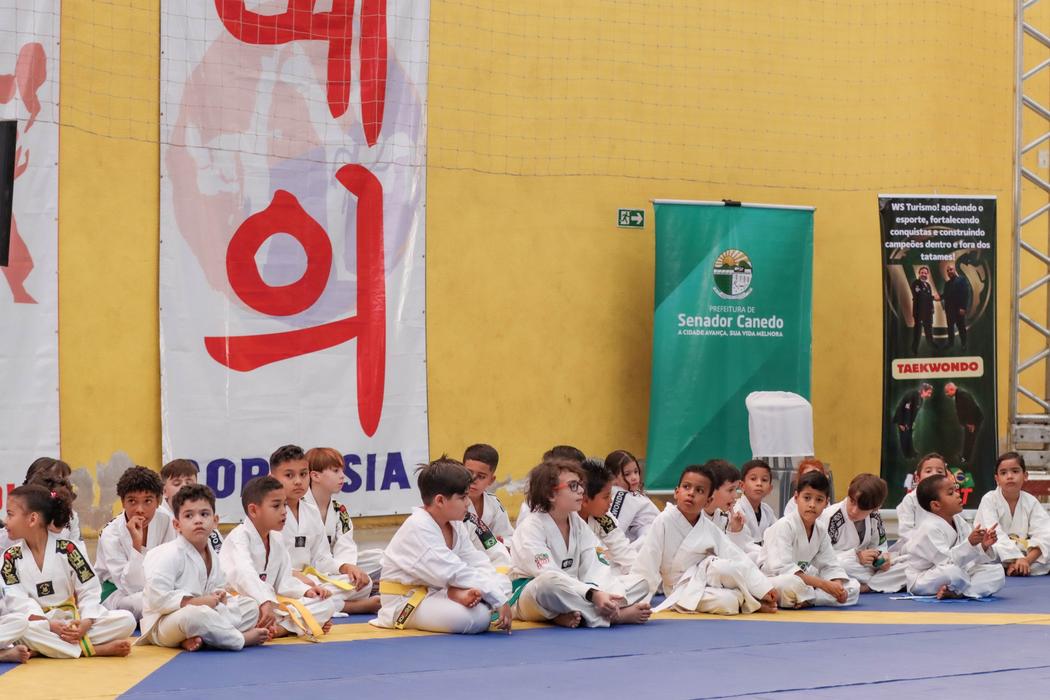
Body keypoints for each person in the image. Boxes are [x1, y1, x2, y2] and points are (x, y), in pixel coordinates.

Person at [371, 458, 512, 634]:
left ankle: (456, 592)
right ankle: (454, 592)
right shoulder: (418, 527)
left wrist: (499, 592)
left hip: (436, 591)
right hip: (405, 601)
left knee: (500, 587)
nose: (468, 502)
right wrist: (496, 597)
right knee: (476, 618)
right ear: (440, 500)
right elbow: (453, 571)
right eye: (462, 497)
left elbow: (477, 562)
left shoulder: (455, 524)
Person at [510, 458, 651, 628]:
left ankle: (575, 614)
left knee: (641, 583)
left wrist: (602, 594)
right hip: (532, 596)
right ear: (551, 494)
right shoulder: (531, 527)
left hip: (579, 590)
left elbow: (595, 565)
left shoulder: (576, 522)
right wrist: (592, 594)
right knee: (548, 584)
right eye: (573, 486)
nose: (581, 491)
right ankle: (614, 616)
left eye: (580, 485)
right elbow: (548, 573)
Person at [2, 484, 135, 658]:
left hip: (71, 622)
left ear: (32, 519)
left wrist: (86, 622)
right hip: (39, 624)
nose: (5, 520)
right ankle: (92, 650)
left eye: (10, 514)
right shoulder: (9, 557)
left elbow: (89, 589)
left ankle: (45, 649)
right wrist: (49, 625)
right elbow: (17, 601)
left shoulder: (69, 550)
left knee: (127, 620)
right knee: (21, 627)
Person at [138, 484, 270, 651]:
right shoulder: (167, 553)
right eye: (189, 515)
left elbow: (218, 588)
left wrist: (220, 596)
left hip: (204, 614)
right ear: (177, 525)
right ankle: (239, 638)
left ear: (215, 521)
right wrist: (195, 602)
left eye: (204, 514)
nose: (198, 520)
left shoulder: (212, 554)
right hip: (164, 623)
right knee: (195, 615)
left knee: (250, 606)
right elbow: (156, 599)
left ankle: (201, 638)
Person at [633, 464, 777, 614]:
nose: (691, 493)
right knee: (727, 602)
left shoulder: (708, 527)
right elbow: (647, 562)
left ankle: (751, 598)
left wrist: (763, 587)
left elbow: (736, 556)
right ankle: (750, 602)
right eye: (686, 487)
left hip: (706, 579)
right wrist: (636, 601)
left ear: (708, 501)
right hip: (678, 587)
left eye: (699, 490)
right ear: (676, 492)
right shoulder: (664, 521)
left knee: (727, 568)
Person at [219, 476, 337, 639]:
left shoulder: (276, 538)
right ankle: (293, 625)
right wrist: (263, 601)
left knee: (326, 602)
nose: (284, 511)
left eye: (285, 505)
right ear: (253, 510)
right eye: (276, 506)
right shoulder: (239, 538)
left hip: (269, 605)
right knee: (250, 608)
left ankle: (281, 628)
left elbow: (284, 581)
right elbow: (244, 574)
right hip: (241, 604)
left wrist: (306, 591)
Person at [269, 445, 373, 614]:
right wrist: (294, 576)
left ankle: (320, 603)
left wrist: (346, 567)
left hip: (311, 579)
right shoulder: (269, 512)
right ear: (272, 478)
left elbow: (322, 558)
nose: (298, 481)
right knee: (279, 591)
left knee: (364, 583)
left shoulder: (311, 512)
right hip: (282, 580)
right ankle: (344, 606)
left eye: (303, 474)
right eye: (289, 475)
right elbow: (266, 564)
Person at [761, 471, 860, 608]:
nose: (812, 504)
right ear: (796, 498)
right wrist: (824, 585)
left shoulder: (820, 530)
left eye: (819, 500)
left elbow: (830, 565)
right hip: (774, 580)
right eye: (807, 498)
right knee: (791, 585)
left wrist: (837, 586)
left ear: (826, 503)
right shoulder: (784, 526)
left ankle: (808, 599)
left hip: (806, 581)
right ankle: (815, 597)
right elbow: (782, 570)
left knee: (853, 586)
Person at [94, 466, 176, 619]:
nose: (140, 509)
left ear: (158, 501)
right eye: (132, 501)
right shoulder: (110, 534)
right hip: (118, 593)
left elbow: (172, 563)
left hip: (159, 588)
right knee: (142, 603)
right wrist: (136, 545)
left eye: (147, 501)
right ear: (123, 502)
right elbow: (132, 587)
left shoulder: (166, 520)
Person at [303, 447, 384, 601]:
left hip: (334, 568)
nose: (342, 476)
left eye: (342, 470)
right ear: (315, 476)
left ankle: (334, 595)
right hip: (307, 572)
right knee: (362, 583)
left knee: (382, 559)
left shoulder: (340, 510)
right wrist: (344, 569)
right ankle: (349, 601)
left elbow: (346, 547)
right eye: (335, 471)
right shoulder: (298, 507)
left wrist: (349, 569)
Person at [906, 474, 1003, 599]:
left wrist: (983, 545)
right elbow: (947, 562)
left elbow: (969, 559)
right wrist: (970, 543)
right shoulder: (928, 528)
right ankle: (961, 589)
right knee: (953, 572)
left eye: (956, 490)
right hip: (926, 577)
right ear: (936, 505)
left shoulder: (958, 520)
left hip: (959, 571)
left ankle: (958, 592)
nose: (958, 495)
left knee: (997, 572)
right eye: (951, 493)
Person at [818, 474, 906, 593]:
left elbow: (880, 546)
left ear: (876, 508)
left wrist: (882, 559)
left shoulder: (875, 516)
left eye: (862, 508)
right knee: (842, 565)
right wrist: (856, 556)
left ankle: (864, 585)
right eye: (852, 502)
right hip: (841, 566)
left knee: (907, 565)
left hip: (865, 568)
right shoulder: (831, 517)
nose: (854, 510)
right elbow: (821, 556)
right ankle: (877, 583)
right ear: (848, 491)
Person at [975, 452, 1050, 577]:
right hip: (997, 555)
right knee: (987, 555)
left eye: (1015, 471)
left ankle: (1018, 567)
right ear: (997, 479)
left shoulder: (1031, 502)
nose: (1009, 476)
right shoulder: (989, 500)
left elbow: (1045, 534)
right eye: (1003, 473)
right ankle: (1014, 566)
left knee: (1045, 554)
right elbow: (994, 534)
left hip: (1025, 556)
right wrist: (1016, 558)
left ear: (1025, 475)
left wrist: (1026, 560)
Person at [578, 458, 637, 576]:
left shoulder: (603, 517)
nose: (611, 501)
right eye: (606, 497)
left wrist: (639, 573)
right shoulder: (566, 519)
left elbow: (622, 550)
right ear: (585, 500)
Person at [158, 459, 223, 554]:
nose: (183, 487)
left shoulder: (206, 515)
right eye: (177, 484)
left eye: (189, 483)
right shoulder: (158, 517)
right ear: (164, 491)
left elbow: (218, 554)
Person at [462, 443, 514, 547]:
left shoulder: (493, 504)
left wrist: (501, 543)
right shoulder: (452, 502)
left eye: (481, 476)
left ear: (491, 480)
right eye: (468, 473)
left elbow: (509, 537)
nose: (473, 480)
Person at [605, 449, 660, 542]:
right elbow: (613, 532)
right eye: (627, 474)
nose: (634, 477)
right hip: (648, 543)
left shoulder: (631, 493)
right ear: (613, 478)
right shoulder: (621, 496)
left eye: (636, 471)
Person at [23, 457, 81, 543]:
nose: (63, 486)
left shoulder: (71, 517)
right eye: (54, 481)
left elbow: (78, 549)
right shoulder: (20, 514)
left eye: (64, 481)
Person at [896, 453, 949, 540]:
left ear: (946, 478)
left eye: (939, 471)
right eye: (928, 471)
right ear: (918, 479)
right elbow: (905, 532)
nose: (934, 474)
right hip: (915, 545)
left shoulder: (949, 499)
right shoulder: (910, 499)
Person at [733, 459, 776, 545]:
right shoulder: (737, 510)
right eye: (753, 479)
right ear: (742, 485)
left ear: (770, 489)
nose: (759, 483)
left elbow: (778, 533)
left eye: (764, 480)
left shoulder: (768, 511)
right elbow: (743, 544)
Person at [945, 383, 982, 465]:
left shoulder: (962, 395)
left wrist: (971, 423)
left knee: (970, 439)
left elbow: (970, 408)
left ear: (951, 389)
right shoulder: (959, 394)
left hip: (973, 421)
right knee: (968, 439)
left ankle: (966, 459)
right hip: (970, 421)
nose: (946, 394)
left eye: (947, 392)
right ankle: (964, 457)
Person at [894, 383, 933, 459]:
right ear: (923, 390)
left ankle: (912, 452)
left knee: (909, 436)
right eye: (928, 393)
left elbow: (914, 412)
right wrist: (901, 423)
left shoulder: (921, 399)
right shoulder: (911, 395)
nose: (929, 395)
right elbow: (905, 410)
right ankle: (907, 455)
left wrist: (912, 422)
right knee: (904, 437)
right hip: (902, 418)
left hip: (909, 420)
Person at [910, 265, 940, 355]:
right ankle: (914, 348)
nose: (924, 274)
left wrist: (932, 308)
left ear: (927, 275)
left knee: (929, 329)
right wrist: (933, 297)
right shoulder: (915, 283)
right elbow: (921, 296)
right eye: (922, 272)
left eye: (925, 273)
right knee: (917, 331)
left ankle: (931, 343)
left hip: (928, 312)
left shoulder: (928, 285)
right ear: (919, 273)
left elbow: (928, 298)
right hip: (919, 312)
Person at [942, 263, 971, 351]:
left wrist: (963, 308)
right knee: (950, 328)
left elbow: (966, 294)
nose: (949, 272)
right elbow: (945, 295)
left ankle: (964, 344)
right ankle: (950, 343)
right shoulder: (947, 283)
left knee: (961, 327)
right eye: (947, 271)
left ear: (955, 270)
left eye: (951, 269)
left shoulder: (962, 280)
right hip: (949, 310)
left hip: (959, 309)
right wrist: (939, 297)